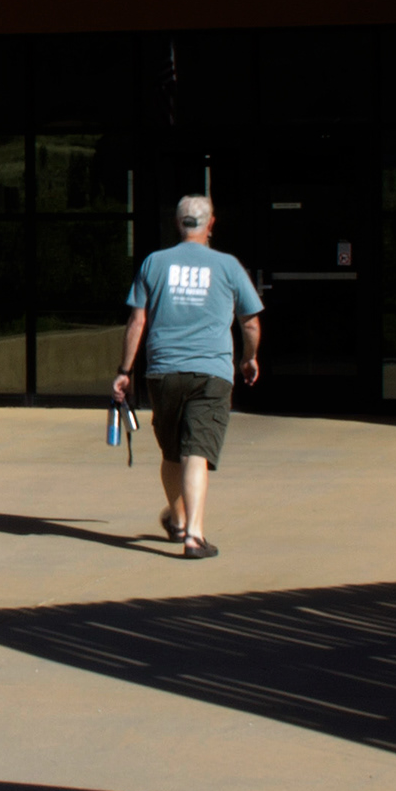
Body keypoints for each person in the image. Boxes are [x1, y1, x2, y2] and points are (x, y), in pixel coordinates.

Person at [109, 195, 265, 560]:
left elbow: (137, 321)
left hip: (163, 372)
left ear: (179, 224)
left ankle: (178, 520)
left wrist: (124, 371)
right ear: (211, 225)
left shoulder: (154, 263)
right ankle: (193, 536)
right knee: (197, 451)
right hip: (211, 373)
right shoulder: (227, 266)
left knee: (172, 452)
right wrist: (249, 358)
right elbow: (251, 322)